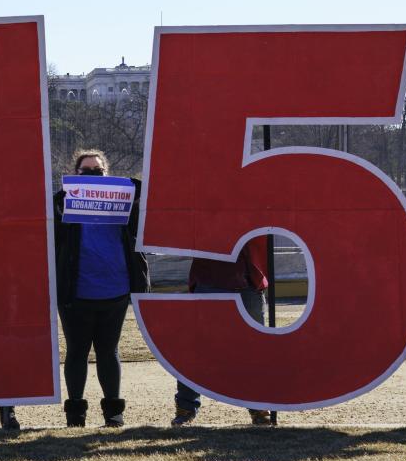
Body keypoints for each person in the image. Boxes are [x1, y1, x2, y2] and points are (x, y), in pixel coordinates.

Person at [53, 150, 150, 427]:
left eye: (98, 172)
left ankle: (114, 413)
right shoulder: (63, 205)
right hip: (75, 292)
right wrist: (63, 198)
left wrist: (130, 189)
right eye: (86, 172)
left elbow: (142, 211)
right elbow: (51, 234)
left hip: (115, 289)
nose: (93, 177)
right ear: (76, 174)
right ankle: (75, 414)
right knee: (76, 352)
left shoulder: (123, 202)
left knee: (109, 351)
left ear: (107, 175)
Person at [171, 237, 273, 427]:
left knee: (255, 350)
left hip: (247, 279)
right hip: (211, 278)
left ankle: (259, 405)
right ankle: (186, 408)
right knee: (197, 349)